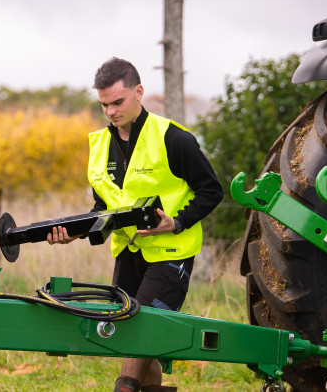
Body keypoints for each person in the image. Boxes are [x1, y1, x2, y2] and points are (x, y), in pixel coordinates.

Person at [47, 57, 223, 392]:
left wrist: (177, 221)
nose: (110, 112)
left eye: (117, 102)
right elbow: (105, 204)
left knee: (136, 329)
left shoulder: (173, 138)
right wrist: (75, 232)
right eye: (103, 105)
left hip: (171, 254)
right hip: (128, 253)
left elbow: (212, 190)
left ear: (138, 92)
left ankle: (123, 387)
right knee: (146, 343)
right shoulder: (99, 145)